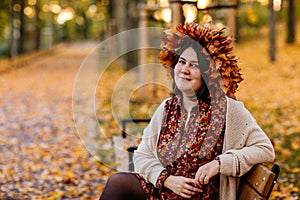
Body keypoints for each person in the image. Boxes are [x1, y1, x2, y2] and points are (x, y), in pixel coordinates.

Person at [99, 22, 275, 200]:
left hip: (199, 196)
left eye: (194, 65)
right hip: (164, 191)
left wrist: (219, 163)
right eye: (182, 62)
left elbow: (265, 149)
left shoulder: (229, 110)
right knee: (118, 183)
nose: (184, 70)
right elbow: (141, 156)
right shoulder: (167, 108)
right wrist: (166, 179)